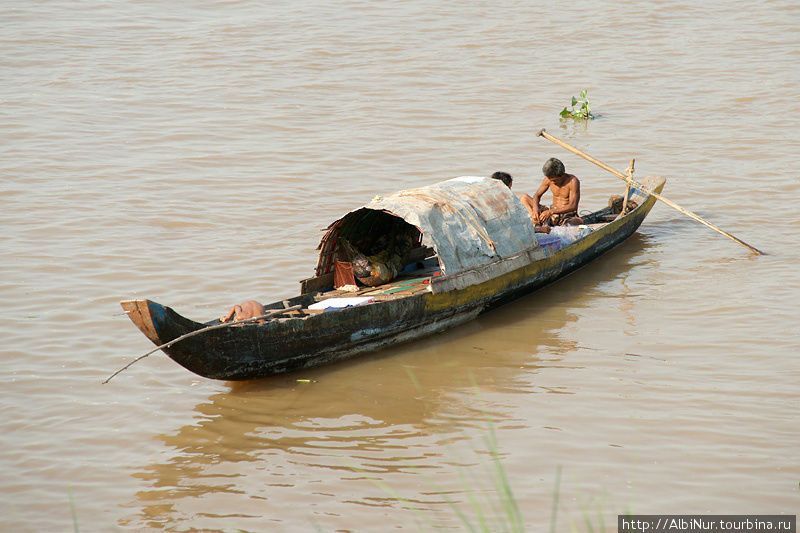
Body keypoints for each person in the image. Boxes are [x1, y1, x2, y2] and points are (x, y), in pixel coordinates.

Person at [520, 158, 583, 226]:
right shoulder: (548, 179)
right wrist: (535, 210)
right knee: (524, 198)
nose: (552, 182)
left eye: (554, 180)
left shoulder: (572, 181)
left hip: (566, 216)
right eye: (551, 180)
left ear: (562, 175)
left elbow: (573, 206)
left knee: (577, 222)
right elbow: (537, 195)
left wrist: (550, 212)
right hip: (551, 213)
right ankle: (535, 220)